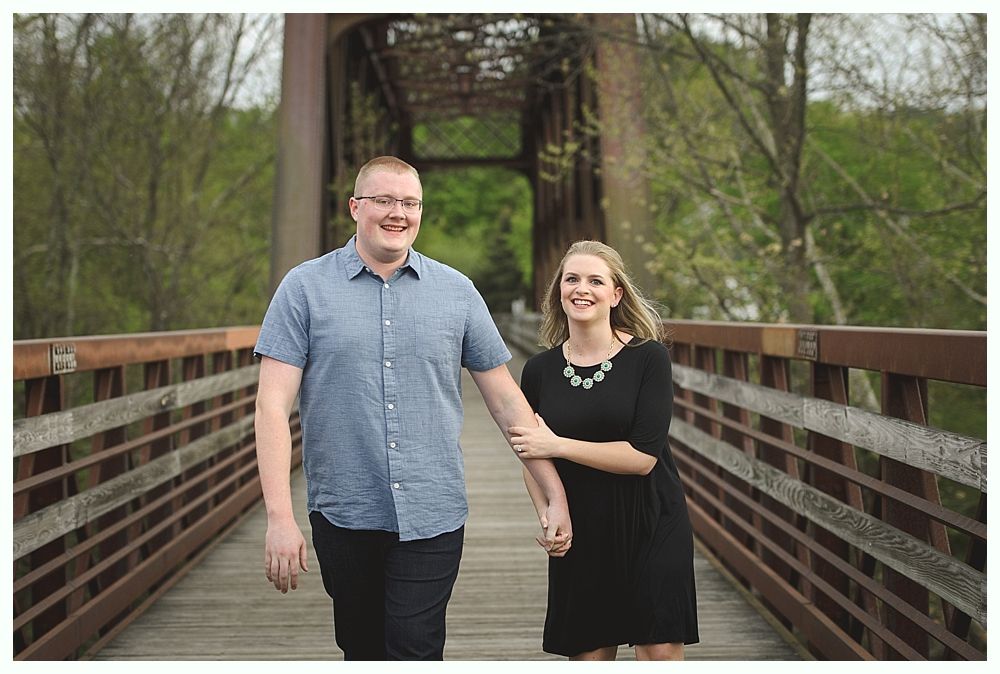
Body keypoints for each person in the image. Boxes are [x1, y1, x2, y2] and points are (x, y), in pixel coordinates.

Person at [252, 156, 572, 661]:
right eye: (383, 200)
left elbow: (507, 401)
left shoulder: (456, 292)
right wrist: (279, 517)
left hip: (433, 511)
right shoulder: (304, 289)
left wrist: (553, 492)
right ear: (355, 207)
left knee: (414, 649)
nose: (397, 212)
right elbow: (271, 406)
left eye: (409, 202)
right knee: (361, 649)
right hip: (344, 511)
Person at [509, 240, 699, 660]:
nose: (582, 288)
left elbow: (642, 458)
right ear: (558, 290)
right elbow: (531, 457)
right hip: (583, 525)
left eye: (596, 280)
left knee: (659, 651)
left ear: (615, 295)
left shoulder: (648, 359)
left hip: (651, 520)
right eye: (572, 279)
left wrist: (557, 443)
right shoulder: (540, 370)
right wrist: (548, 512)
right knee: (590, 656)